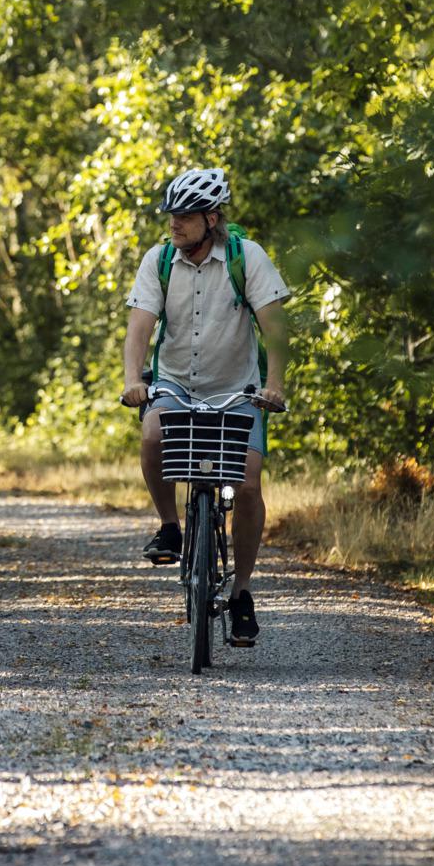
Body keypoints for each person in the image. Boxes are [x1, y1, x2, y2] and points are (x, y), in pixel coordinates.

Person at [120, 168, 290, 646]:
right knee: (152, 435)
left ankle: (241, 594)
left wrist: (273, 386)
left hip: (238, 386)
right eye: (171, 215)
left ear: (212, 218)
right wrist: (134, 380)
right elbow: (139, 329)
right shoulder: (159, 261)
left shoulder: (246, 257)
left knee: (248, 485)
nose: (174, 224)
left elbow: (275, 330)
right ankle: (171, 527)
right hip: (176, 381)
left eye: (185, 217)